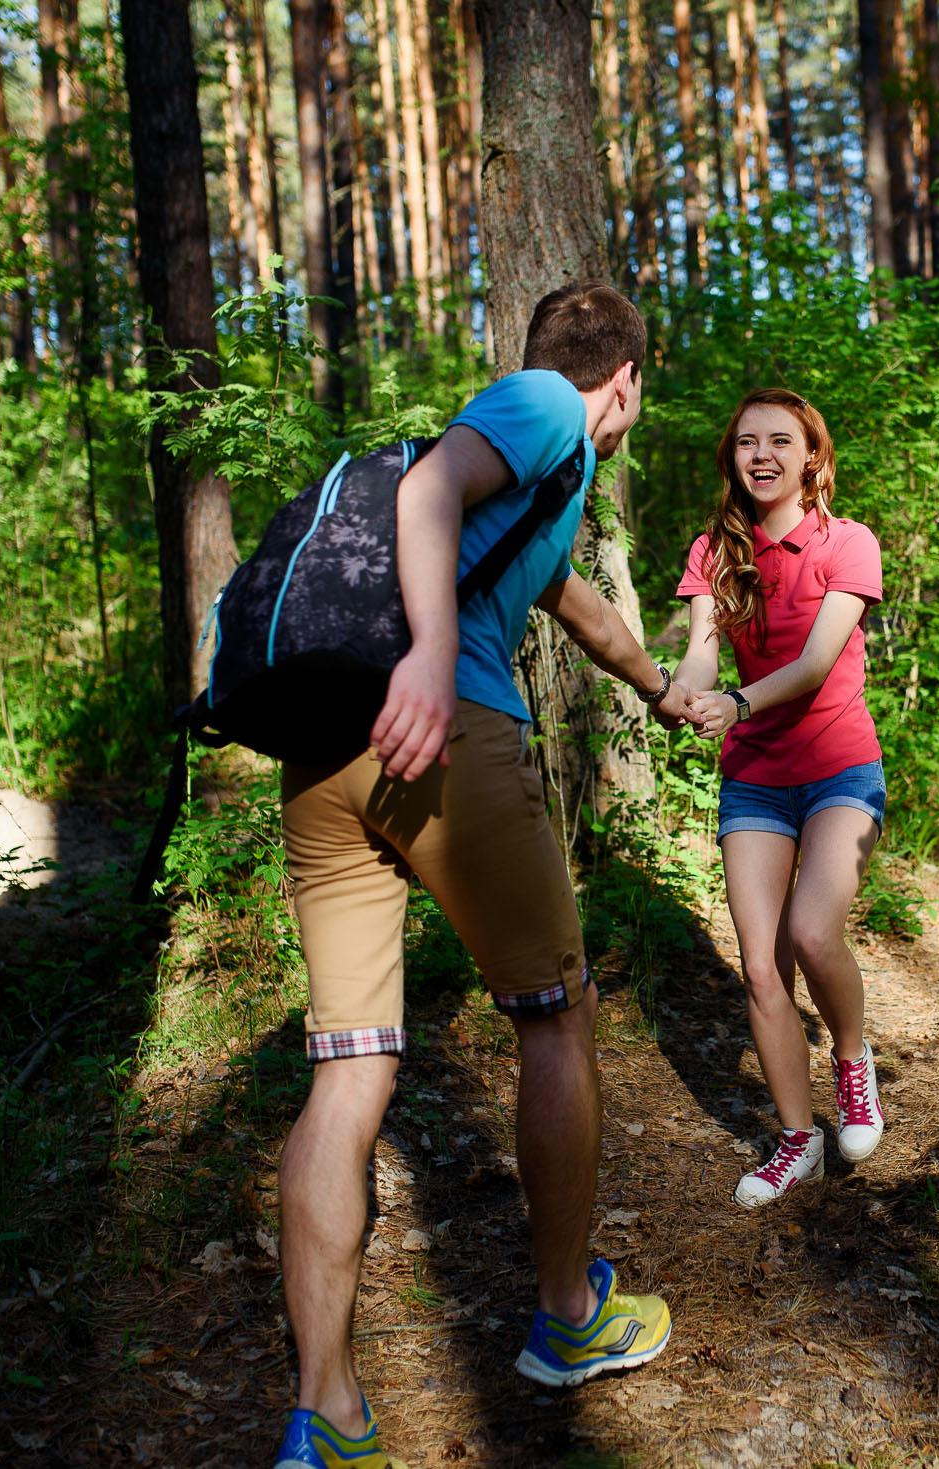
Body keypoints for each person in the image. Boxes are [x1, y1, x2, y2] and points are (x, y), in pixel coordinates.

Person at [270, 283, 688, 1469]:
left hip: (325, 752)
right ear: (625, 382)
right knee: (556, 1012)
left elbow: (577, 607)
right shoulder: (548, 404)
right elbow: (428, 491)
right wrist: (433, 657)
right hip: (435, 726)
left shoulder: (540, 493)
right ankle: (567, 1314)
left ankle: (328, 1416)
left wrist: (663, 690)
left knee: (349, 1068)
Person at [670, 389, 888, 1210]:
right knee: (762, 966)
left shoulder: (848, 542)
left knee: (811, 929)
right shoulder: (715, 551)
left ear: (811, 457)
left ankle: (853, 1060)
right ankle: (800, 1141)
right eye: (746, 443)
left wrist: (737, 701)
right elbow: (701, 652)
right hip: (756, 779)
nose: (761, 455)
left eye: (779, 441)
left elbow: (815, 663)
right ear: (732, 459)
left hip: (839, 770)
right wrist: (682, 691)